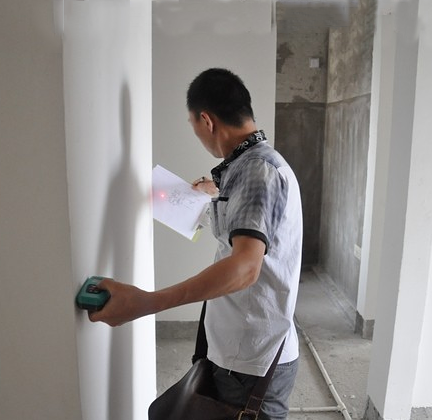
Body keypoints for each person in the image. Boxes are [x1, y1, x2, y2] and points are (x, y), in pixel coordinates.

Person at [89, 68, 303, 420]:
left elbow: (245, 267)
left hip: (249, 361)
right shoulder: (251, 167)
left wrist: (146, 302)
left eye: (193, 127)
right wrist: (215, 195)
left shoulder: (256, 172)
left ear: (207, 120)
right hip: (245, 350)